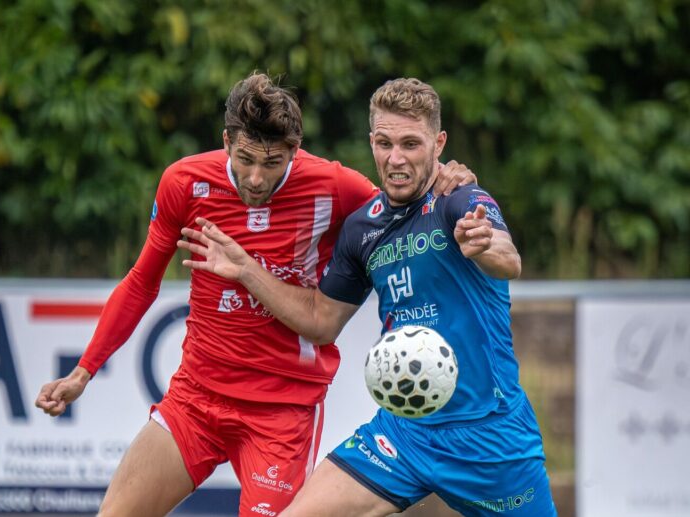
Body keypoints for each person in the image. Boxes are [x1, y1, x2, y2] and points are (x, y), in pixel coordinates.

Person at [34, 72, 476, 517]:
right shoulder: (184, 183)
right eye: (245, 158)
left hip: (282, 412)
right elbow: (141, 282)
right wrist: (84, 371)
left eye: (274, 162)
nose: (257, 178)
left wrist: (447, 179)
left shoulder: (333, 187)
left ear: (295, 150)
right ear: (226, 140)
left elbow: (407, 207)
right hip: (196, 398)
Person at [178, 78, 558, 516]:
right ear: (371, 141)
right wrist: (247, 270)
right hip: (402, 435)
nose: (395, 159)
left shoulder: (459, 199)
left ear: (438, 143)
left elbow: (508, 259)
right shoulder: (363, 229)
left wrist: (484, 243)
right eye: (384, 143)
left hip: (489, 437)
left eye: (411, 144)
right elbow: (321, 320)